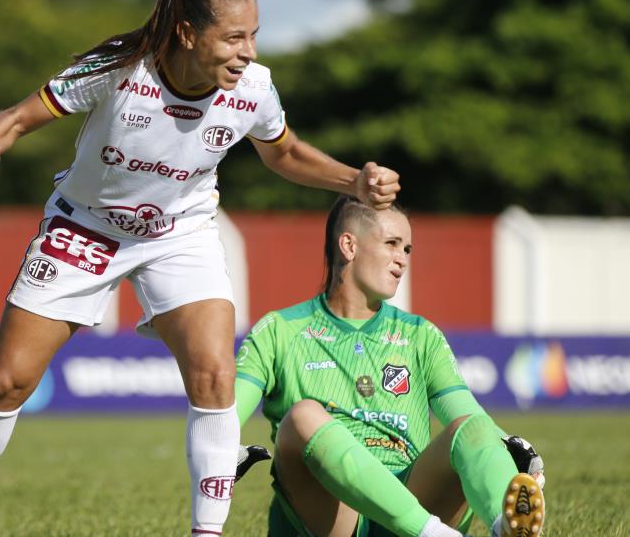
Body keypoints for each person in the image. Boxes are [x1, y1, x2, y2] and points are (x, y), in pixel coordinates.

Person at [0, 0, 401, 537]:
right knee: (6, 382)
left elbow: (286, 154)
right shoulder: (118, 70)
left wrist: (353, 181)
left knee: (215, 375)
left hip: (181, 233)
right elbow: (14, 119)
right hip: (85, 230)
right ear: (186, 33)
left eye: (254, 35)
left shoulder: (253, 88)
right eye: (233, 37)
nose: (248, 51)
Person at [234, 196, 546, 537]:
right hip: (334, 515)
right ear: (349, 245)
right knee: (303, 416)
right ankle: (430, 532)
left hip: (411, 493)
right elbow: (228, 415)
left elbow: (467, 415)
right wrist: (223, 450)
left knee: (472, 425)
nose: (402, 259)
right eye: (392, 244)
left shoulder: (420, 335)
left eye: (408, 249)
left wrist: (509, 451)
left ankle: (507, 528)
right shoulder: (280, 330)